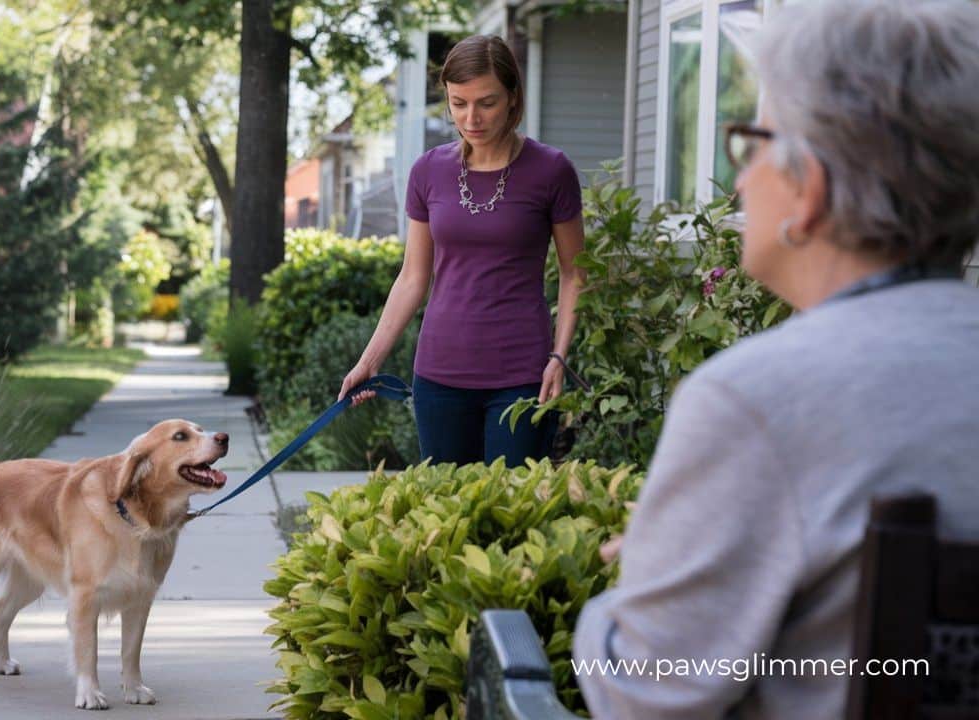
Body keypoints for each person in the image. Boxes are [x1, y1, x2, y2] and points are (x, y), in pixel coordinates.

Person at [571, 1, 979, 718]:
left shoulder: (756, 401)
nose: (739, 182)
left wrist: (632, 580)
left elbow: (642, 697)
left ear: (810, 188)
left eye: (751, 142)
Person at [337, 34, 586, 468]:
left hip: (522, 376)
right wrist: (369, 361)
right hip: (439, 376)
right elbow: (414, 277)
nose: (471, 118)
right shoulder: (428, 171)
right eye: (458, 103)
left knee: (512, 517)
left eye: (486, 102)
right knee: (449, 517)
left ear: (512, 97)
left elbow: (574, 274)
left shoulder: (551, 170)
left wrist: (559, 357)